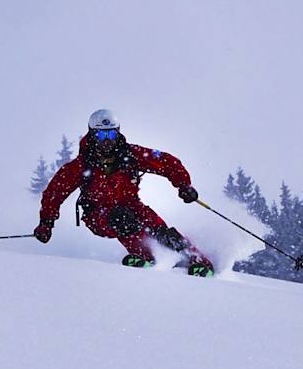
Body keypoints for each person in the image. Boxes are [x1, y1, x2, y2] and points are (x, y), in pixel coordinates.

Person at [33, 109, 215, 276]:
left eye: (111, 133)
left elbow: (167, 162)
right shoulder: (81, 165)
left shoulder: (130, 155)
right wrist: (46, 223)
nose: (106, 140)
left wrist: (184, 185)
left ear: (117, 132)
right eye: (101, 134)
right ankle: (145, 257)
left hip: (132, 204)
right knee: (121, 218)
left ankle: (197, 261)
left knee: (159, 229)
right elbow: (54, 193)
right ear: (92, 134)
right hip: (98, 213)